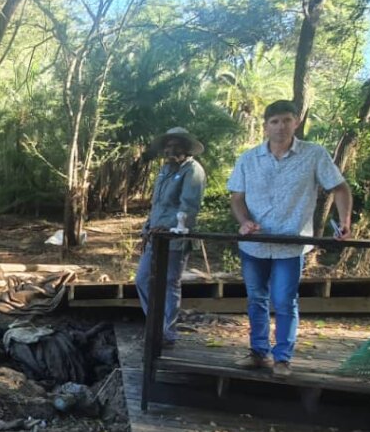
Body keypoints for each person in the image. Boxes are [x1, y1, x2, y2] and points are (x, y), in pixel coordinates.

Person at [228, 99, 352, 377]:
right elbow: (237, 198)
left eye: (286, 120)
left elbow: (340, 189)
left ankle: (282, 357)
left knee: (284, 300)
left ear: (296, 122)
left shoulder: (314, 155)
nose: (280, 127)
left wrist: (344, 222)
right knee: (256, 298)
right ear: (265, 127)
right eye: (274, 122)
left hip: (291, 243)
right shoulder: (248, 159)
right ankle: (259, 353)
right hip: (255, 243)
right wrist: (245, 221)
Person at [135, 127, 207, 347]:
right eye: (167, 146)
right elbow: (157, 205)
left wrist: (167, 228)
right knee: (143, 279)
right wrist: (146, 230)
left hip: (175, 237)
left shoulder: (193, 171)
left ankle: (167, 332)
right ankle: (155, 325)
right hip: (154, 237)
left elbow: (188, 207)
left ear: (185, 148)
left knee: (169, 283)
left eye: (176, 146)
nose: (170, 150)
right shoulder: (165, 170)